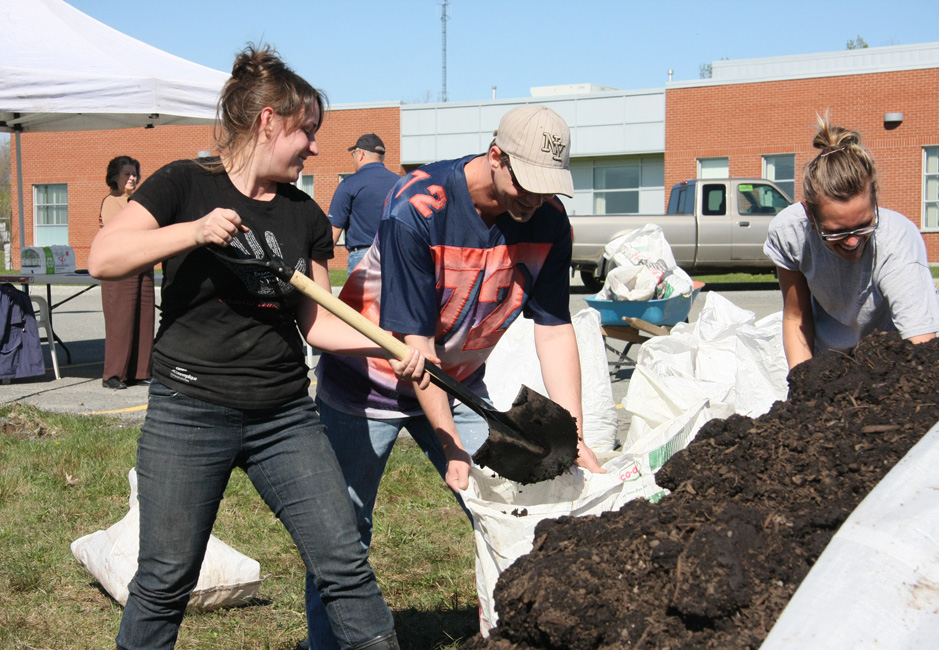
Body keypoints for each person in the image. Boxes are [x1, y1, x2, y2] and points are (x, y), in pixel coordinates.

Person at [88, 44, 426, 650]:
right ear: (268, 120)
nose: (317, 147)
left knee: (344, 563)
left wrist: (391, 346)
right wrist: (191, 231)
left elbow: (319, 324)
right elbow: (104, 258)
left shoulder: (303, 215)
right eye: (308, 132)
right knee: (166, 580)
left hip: (284, 416)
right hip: (188, 411)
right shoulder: (183, 185)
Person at [306, 104, 605, 649]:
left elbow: (555, 329)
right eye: (527, 185)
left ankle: (515, 631)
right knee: (343, 533)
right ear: (496, 157)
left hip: (461, 381)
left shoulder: (548, 220)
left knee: (507, 504)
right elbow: (417, 345)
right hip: (366, 380)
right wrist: (450, 447)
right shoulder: (417, 205)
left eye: (548, 187)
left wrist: (575, 433)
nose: (536, 200)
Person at [764, 113, 939, 370]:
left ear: (875, 200)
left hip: (892, 360)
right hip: (830, 360)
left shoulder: (897, 240)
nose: (851, 242)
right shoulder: (790, 232)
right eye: (836, 232)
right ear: (810, 217)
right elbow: (796, 317)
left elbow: (920, 344)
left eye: (864, 225)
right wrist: (802, 385)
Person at [98, 155, 155, 390]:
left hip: (144, 262)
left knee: (144, 317)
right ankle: (113, 374)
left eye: (135, 174)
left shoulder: (140, 201)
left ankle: (140, 372)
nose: (132, 178)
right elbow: (118, 233)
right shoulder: (111, 201)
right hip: (120, 267)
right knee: (120, 321)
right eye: (127, 174)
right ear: (114, 177)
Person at [329, 133, 400, 273]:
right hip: (394, 256)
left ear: (360, 154)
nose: (354, 159)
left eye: (353, 154)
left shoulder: (349, 184)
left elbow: (334, 231)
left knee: (363, 296)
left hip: (363, 257)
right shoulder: (400, 183)